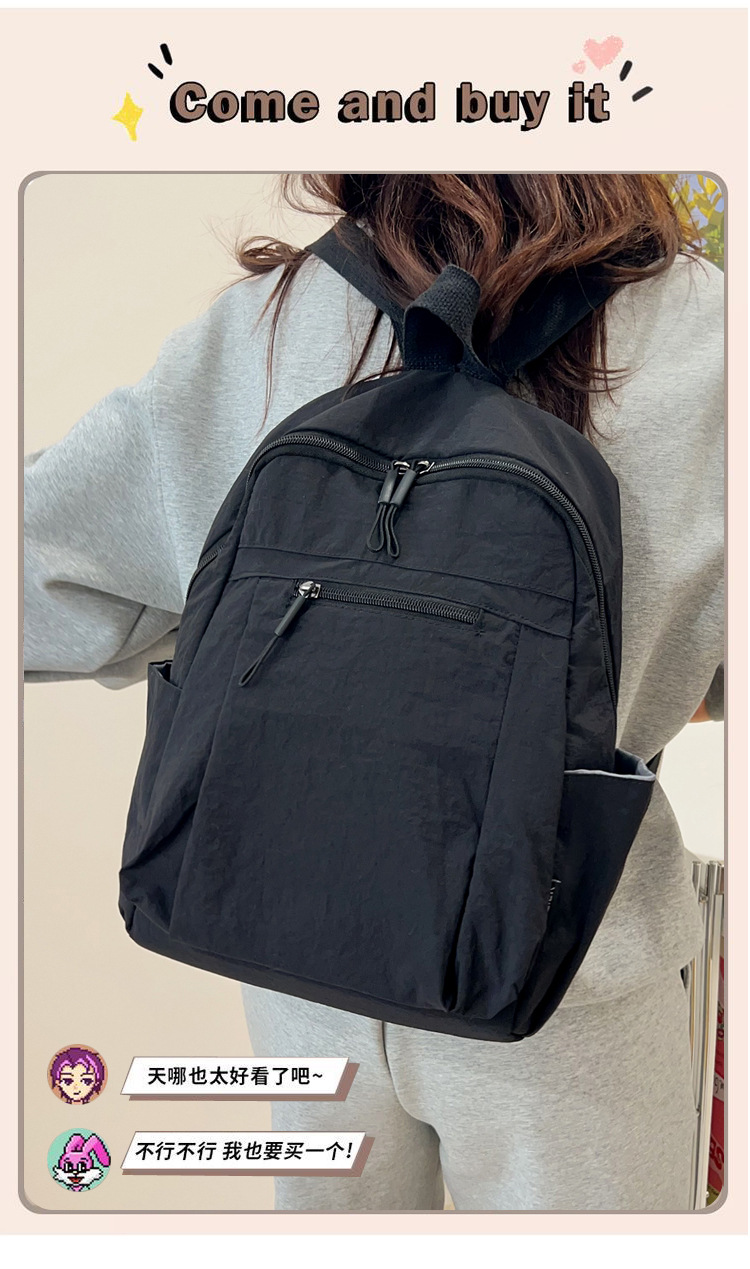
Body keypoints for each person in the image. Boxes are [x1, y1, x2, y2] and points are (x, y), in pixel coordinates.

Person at [24, 175, 724, 1212]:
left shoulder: (270, 326)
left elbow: (39, 577)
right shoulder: (709, 330)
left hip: (300, 951)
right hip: (572, 975)